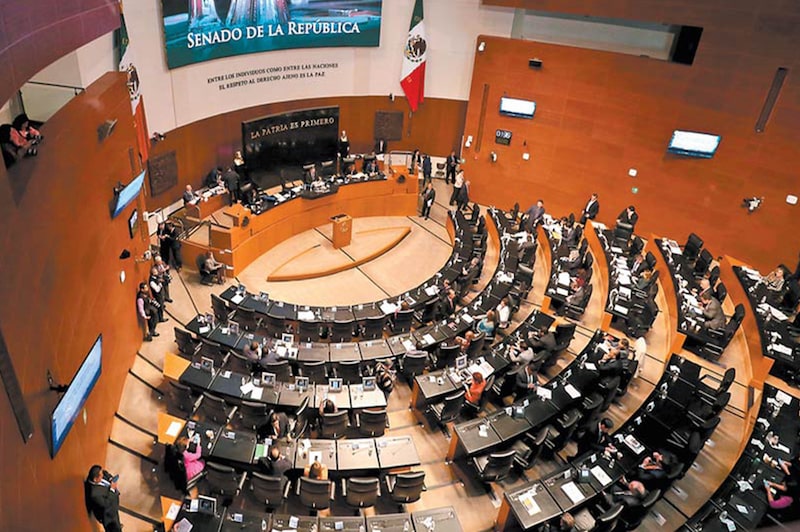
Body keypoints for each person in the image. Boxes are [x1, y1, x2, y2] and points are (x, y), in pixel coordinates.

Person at [84, 465, 122, 532]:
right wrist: (112, 490)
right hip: (109, 516)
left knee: (117, 525)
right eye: (101, 476)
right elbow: (106, 504)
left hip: (113, 508)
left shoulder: (98, 474)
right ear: (95, 479)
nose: (103, 476)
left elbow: (105, 473)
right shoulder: (95, 494)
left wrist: (110, 478)